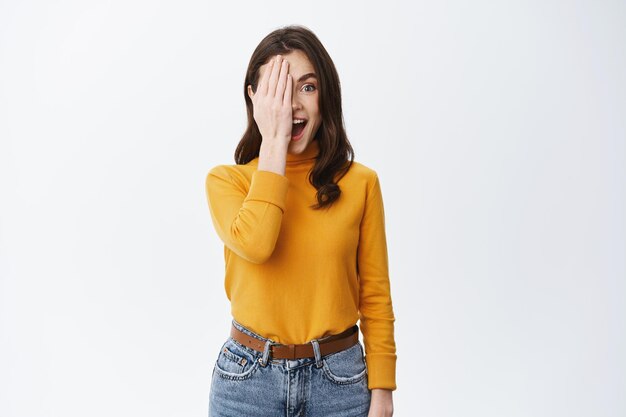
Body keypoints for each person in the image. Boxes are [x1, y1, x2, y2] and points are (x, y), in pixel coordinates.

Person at [204, 25, 396, 417]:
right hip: (246, 383)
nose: (292, 104)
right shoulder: (228, 181)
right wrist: (273, 142)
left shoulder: (360, 183)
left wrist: (383, 391)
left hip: (340, 383)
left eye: (307, 87)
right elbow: (257, 243)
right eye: (278, 90)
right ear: (254, 98)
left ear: (325, 96)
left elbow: (375, 297)